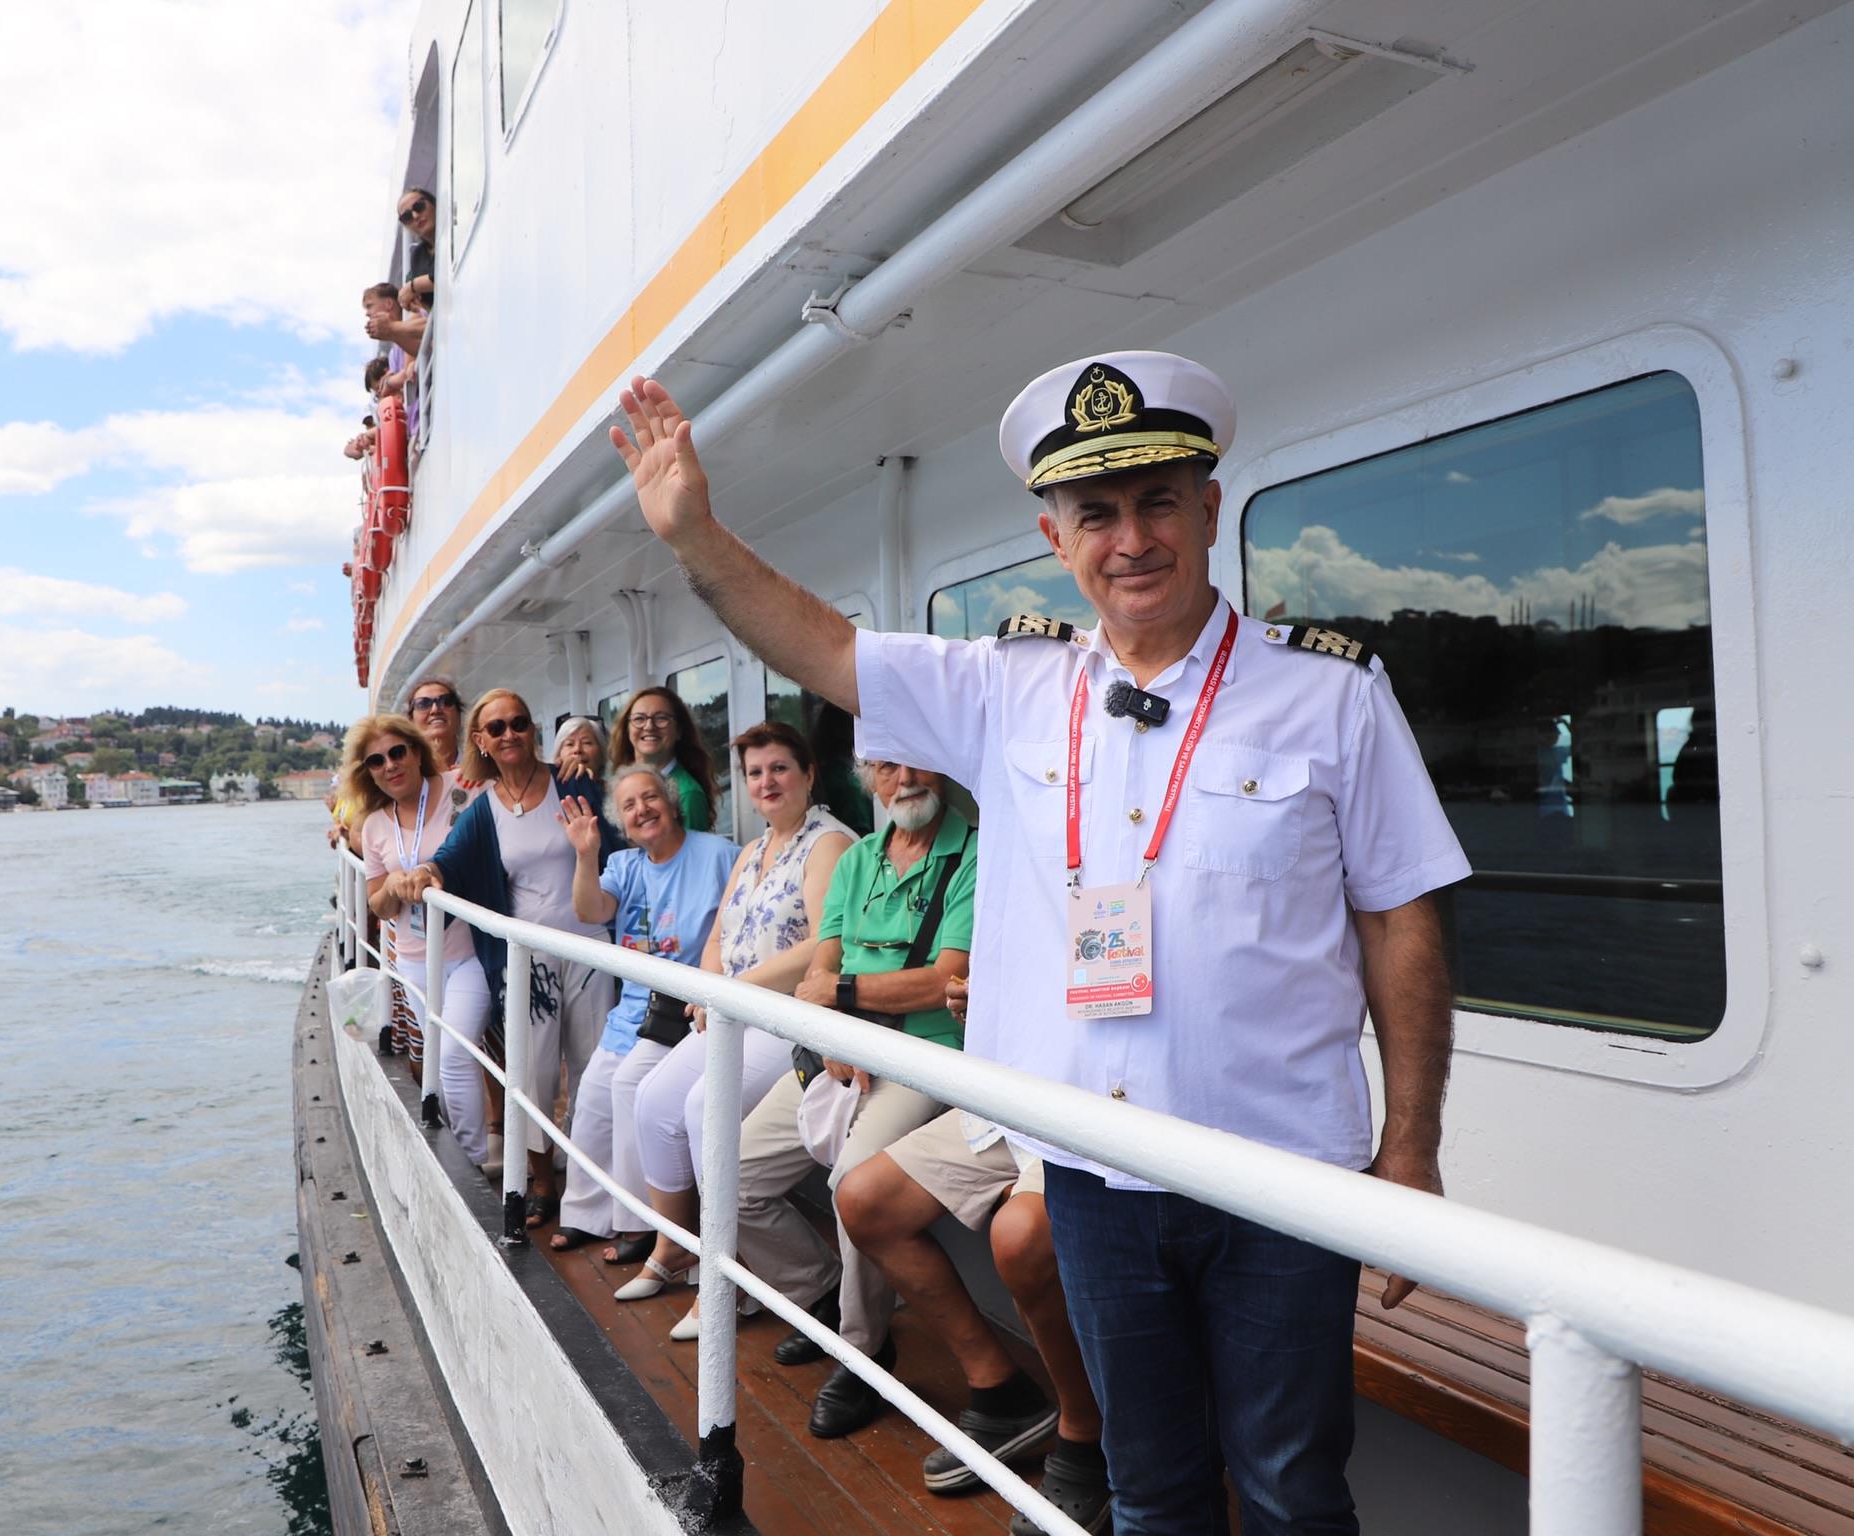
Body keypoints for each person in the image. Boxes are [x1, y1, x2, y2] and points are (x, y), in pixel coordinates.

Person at [607, 356, 1467, 1533]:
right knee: (1151, 1486)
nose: (1132, 539)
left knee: (1289, 1486)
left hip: (1281, 1175)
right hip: (1095, 1176)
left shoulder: (1331, 694)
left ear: (1211, 509)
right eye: (1097, 513)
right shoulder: (1007, 686)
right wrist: (695, 536)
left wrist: (1409, 1154)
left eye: (1160, 501)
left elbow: (1401, 918)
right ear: (1053, 534)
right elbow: (824, 649)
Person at [728, 760, 975, 1439]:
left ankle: (864, 1352)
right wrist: (831, 1025)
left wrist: (836, 999)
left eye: (913, 761)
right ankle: (825, 1297)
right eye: (884, 768)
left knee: (853, 1186)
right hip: (843, 1053)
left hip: (923, 1058)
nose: (902, 779)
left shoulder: (975, 855)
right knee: (735, 1175)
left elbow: (943, 980)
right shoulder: (860, 857)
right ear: (865, 780)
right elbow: (822, 962)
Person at [837, 967, 1108, 1531]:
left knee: (1021, 1236)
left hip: (1098, 1098)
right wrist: (982, 1003)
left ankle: (1087, 1435)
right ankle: (1002, 1393)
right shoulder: (1023, 880)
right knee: (865, 1199)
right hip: (1015, 1095)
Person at [623, 721, 857, 1337]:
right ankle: (678, 1249)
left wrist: (731, 992)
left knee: (705, 1106)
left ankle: (761, 1277)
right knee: (652, 1101)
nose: (767, 782)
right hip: (734, 1012)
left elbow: (817, 948)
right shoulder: (754, 850)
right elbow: (720, 935)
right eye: (755, 773)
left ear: (809, 774)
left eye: (779, 768)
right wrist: (708, 988)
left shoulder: (827, 844)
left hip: (787, 1018)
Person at [386, 689, 621, 1226]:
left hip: (590, 950)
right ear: (481, 741)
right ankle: (543, 1183)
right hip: (527, 962)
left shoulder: (573, 780)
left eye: (519, 723)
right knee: (533, 1074)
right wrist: (424, 875)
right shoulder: (482, 807)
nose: (509, 734)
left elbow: (622, 839)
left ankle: (592, 1187)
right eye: (497, 728)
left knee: (592, 1069)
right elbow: (446, 861)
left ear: (533, 729)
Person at [549, 766, 736, 1260]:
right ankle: (588, 1214)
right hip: (634, 1012)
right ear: (622, 823)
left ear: (672, 804)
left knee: (628, 1088)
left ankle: (639, 1223)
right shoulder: (626, 864)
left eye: (650, 798)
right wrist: (586, 855)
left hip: (685, 1013)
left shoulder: (717, 854)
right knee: (590, 1097)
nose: (642, 811)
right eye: (629, 806)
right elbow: (590, 910)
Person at [347, 714, 480, 1100]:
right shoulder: (374, 824)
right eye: (376, 760)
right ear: (368, 773)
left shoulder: (462, 787)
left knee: (456, 1054)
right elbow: (381, 908)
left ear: (416, 752)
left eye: (397, 752)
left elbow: (508, 779)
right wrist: (392, 883)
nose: (389, 764)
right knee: (442, 1057)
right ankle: (469, 1152)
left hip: (470, 950)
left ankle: (486, 1141)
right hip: (414, 960)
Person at [607, 686, 716, 831]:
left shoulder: (688, 794)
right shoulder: (619, 784)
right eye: (639, 719)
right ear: (627, 729)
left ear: (678, 731)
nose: (649, 726)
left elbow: (692, 853)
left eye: (661, 718)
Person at [404, 677, 483, 814]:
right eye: (423, 704)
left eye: (446, 701)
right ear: (411, 722)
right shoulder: (403, 776)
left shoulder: (483, 767)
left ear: (459, 716)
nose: (435, 709)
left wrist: (482, 774)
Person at [397, 187, 436, 283]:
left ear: (434, 204)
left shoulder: (456, 232)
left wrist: (414, 286)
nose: (415, 216)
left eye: (419, 206)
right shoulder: (417, 255)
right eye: (406, 216)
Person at [551, 714, 608, 779]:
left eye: (586, 743)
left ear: (602, 752)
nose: (577, 749)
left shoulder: (615, 788)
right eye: (569, 744)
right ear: (558, 754)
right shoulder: (551, 786)